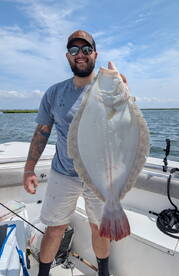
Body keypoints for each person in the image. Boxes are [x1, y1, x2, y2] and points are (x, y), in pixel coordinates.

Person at [23, 30, 126, 276]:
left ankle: (103, 273)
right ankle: (44, 273)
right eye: (74, 50)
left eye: (86, 49)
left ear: (95, 54)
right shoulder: (54, 93)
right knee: (55, 229)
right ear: (68, 56)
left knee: (99, 228)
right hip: (63, 174)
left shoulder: (109, 87)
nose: (80, 54)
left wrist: (123, 94)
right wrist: (29, 169)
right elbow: (42, 132)